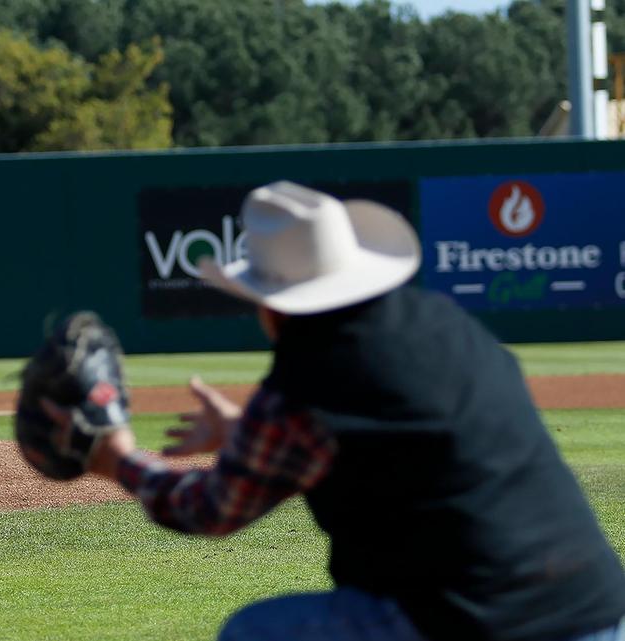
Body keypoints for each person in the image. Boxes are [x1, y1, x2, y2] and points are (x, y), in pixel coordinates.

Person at [59, 182, 625, 640]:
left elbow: (211, 510)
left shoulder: (308, 383)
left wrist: (118, 460)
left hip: (479, 623)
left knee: (255, 632)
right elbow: (416, 438)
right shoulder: (444, 324)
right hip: (599, 609)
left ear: (270, 307)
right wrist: (246, 434)